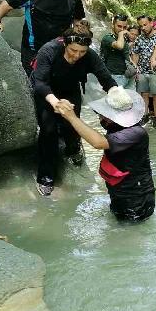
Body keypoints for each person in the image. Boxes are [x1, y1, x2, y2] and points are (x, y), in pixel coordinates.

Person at [31, 32, 117, 196]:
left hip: (71, 89)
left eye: (82, 52)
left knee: (73, 124)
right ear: (65, 44)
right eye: (73, 50)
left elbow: (105, 77)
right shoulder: (48, 50)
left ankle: (73, 148)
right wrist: (55, 103)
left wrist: (115, 92)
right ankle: (46, 176)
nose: (77, 55)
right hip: (47, 91)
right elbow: (40, 83)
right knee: (48, 131)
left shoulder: (89, 55)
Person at [57, 86, 155, 222]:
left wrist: (72, 117)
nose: (101, 116)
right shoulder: (115, 127)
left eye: (104, 114)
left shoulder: (136, 133)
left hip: (137, 200)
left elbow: (97, 143)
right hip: (120, 193)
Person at [132, 15, 156, 127]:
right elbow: (135, 53)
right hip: (142, 71)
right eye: (141, 26)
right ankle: (144, 115)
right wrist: (135, 68)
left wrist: (153, 58)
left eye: (145, 24)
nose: (143, 28)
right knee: (143, 94)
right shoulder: (139, 39)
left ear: (151, 23)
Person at [100, 14, 135, 89]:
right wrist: (122, 34)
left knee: (131, 100)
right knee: (117, 100)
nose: (122, 29)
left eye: (124, 27)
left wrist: (134, 65)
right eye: (119, 26)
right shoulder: (107, 38)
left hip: (128, 75)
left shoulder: (123, 39)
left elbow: (126, 54)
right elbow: (119, 46)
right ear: (113, 25)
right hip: (113, 76)